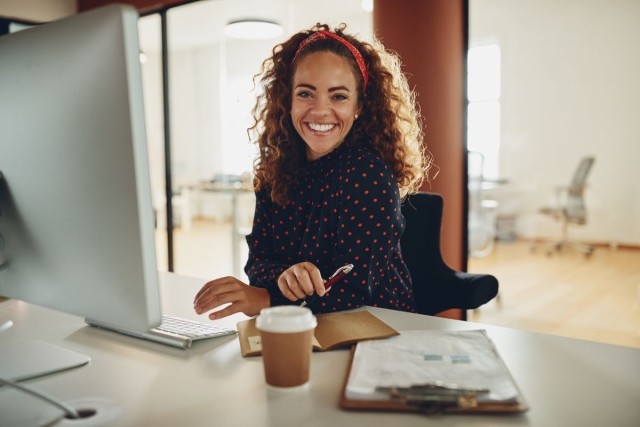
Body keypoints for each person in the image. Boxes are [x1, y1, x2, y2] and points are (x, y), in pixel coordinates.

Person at [193, 23, 430, 320]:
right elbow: (258, 262)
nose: (320, 110)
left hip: (378, 326)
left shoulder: (369, 172)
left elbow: (354, 289)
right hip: (304, 325)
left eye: (338, 96)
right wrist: (284, 276)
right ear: (287, 99)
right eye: (306, 94)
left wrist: (268, 297)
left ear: (359, 105)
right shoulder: (276, 168)